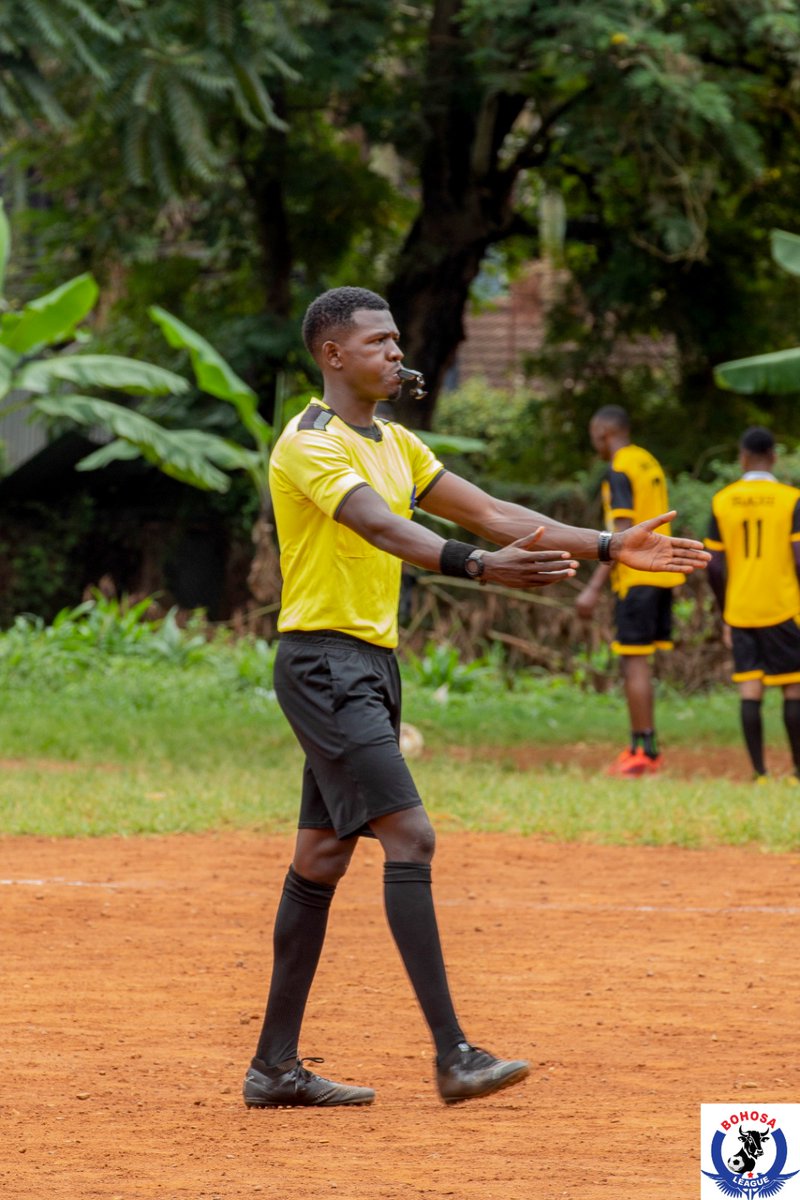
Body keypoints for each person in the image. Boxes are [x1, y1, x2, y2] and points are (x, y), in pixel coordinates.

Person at [243, 287, 709, 1111]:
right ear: (333, 355)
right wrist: (476, 567)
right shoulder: (310, 445)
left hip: (369, 666)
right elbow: (384, 529)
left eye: (396, 340)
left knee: (320, 859)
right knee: (410, 838)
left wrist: (609, 544)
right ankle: (454, 1055)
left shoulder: (393, 441)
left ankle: (274, 1069)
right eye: (377, 342)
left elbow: (492, 512)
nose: (395, 352)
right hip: (323, 665)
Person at [575, 405, 685, 777]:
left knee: (633, 662)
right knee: (642, 661)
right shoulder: (648, 462)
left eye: (593, 434)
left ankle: (643, 750)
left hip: (638, 578)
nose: (594, 443)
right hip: (663, 575)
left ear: (604, 432)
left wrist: (592, 588)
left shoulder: (620, 467)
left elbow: (621, 538)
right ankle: (646, 746)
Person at [705, 426, 800, 781]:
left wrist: (724, 609)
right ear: (774, 457)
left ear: (742, 458)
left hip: (741, 608)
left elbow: (713, 565)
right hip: (784, 606)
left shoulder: (722, 500)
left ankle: (759, 774)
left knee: (750, 688)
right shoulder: (791, 498)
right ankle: (797, 773)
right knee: (794, 687)